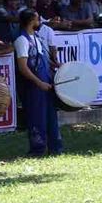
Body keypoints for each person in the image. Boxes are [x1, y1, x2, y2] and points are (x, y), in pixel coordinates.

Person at [15, 9, 63, 156]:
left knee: (50, 116)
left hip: (45, 81)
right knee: (36, 117)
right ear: (31, 22)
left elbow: (42, 59)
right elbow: (23, 67)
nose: (40, 22)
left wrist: (55, 65)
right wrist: (39, 83)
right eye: (37, 19)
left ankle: (55, 148)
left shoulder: (36, 37)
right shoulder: (21, 40)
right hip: (33, 86)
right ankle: (38, 149)